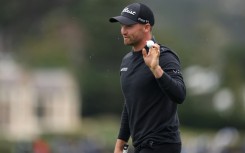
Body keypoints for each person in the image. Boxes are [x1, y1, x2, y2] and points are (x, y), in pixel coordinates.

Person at [109, 3, 186, 153]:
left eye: (129, 26)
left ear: (146, 27)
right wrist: (120, 146)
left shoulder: (164, 56)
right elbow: (130, 104)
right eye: (122, 26)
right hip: (141, 146)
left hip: (162, 144)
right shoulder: (126, 61)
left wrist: (156, 69)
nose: (123, 31)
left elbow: (180, 95)